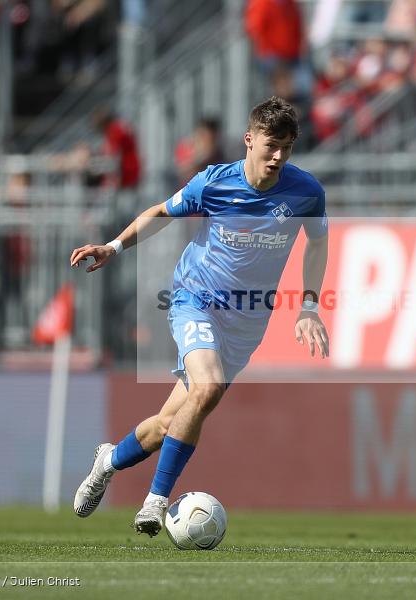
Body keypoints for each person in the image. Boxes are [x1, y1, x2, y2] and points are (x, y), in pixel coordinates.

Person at [68, 97, 330, 536]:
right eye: (270, 145)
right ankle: (156, 502)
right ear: (249, 140)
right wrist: (112, 247)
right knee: (205, 389)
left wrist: (308, 306)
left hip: (247, 322)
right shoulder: (213, 183)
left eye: (286, 147)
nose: (278, 157)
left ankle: (107, 461)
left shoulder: (306, 193)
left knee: (171, 421)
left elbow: (317, 242)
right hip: (196, 299)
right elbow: (160, 214)